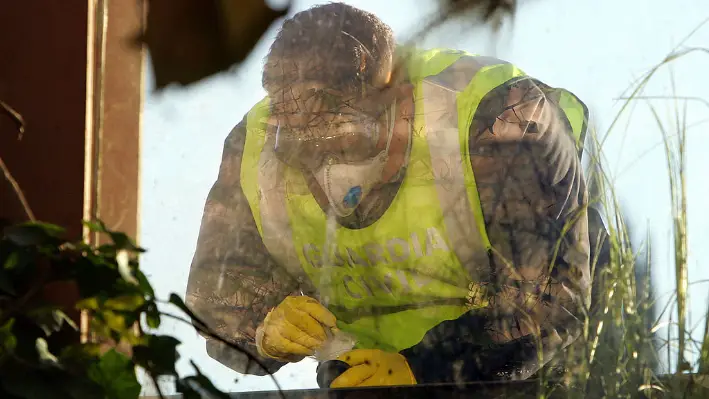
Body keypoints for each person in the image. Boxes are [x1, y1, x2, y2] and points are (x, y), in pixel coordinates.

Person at [185, 2, 594, 388]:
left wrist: (423, 370)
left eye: (341, 138)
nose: (325, 164)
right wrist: (265, 325)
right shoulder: (253, 147)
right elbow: (216, 297)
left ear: (395, 97)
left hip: (525, 373)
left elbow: (549, 299)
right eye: (300, 144)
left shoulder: (497, 115)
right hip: (361, 376)